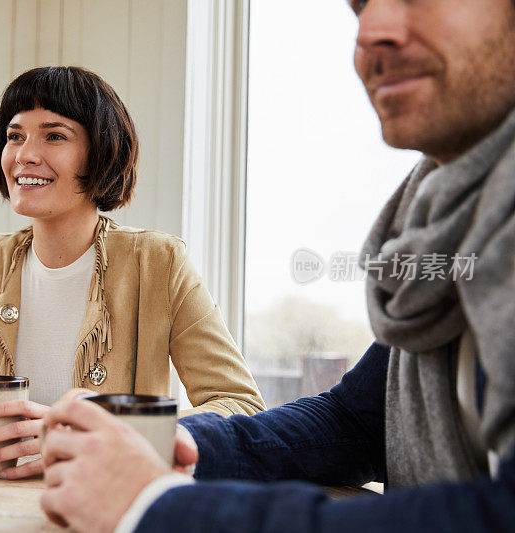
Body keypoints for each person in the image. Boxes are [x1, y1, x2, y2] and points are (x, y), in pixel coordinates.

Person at [38, 0, 515, 530]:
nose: (372, 30)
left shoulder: (159, 259)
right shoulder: (444, 227)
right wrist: (178, 442)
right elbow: (356, 423)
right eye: (360, 6)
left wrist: (158, 508)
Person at [0, 66, 265, 480]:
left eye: (54, 135)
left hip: (107, 508)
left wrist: (112, 434)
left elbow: (239, 404)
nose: (24, 154)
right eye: (15, 135)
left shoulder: (158, 261)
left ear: (101, 150)